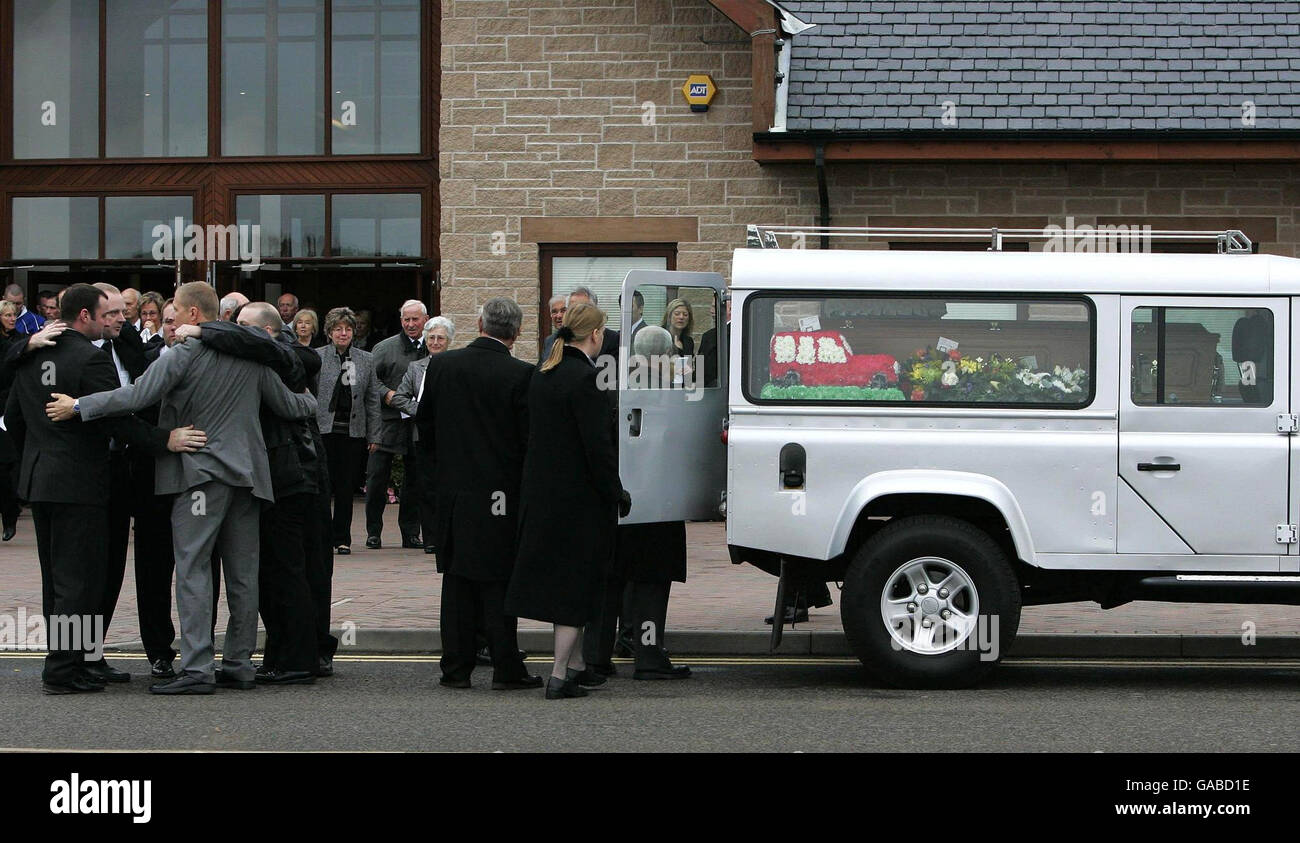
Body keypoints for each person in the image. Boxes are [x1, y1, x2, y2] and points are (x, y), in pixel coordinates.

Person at [47, 281, 317, 695]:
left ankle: (196, 668)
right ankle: (240, 663)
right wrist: (315, 402)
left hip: (199, 476)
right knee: (243, 576)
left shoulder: (184, 354)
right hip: (248, 477)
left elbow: (136, 396)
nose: (170, 325)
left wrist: (80, 405)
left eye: (176, 313)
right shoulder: (250, 355)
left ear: (193, 315)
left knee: (192, 570)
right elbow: (289, 405)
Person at [10, 284, 198, 694]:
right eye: (106, 313)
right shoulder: (91, 358)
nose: (115, 319)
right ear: (84, 317)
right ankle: (63, 670)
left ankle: (76, 661)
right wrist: (164, 439)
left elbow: (14, 418)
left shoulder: (32, 355)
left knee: (57, 579)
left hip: (41, 479)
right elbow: (116, 418)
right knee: (80, 581)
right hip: (81, 482)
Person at [181, 302, 322, 684]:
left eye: (244, 326)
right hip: (268, 474)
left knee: (285, 570)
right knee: (267, 573)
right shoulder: (262, 352)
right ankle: (279, 657)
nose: (236, 331)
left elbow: (290, 382)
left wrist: (203, 331)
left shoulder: (291, 355)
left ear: (270, 331)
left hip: (286, 477)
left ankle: (297, 660)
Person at [507, 303, 630, 699]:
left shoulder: (543, 375)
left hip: (543, 495)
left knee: (562, 580)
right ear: (594, 335)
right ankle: (559, 674)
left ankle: (576, 666)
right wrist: (617, 492)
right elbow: (598, 449)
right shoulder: (587, 379)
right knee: (575, 586)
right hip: (579, 501)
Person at [416, 300, 540, 691]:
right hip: (501, 494)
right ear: (516, 333)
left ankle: (456, 668)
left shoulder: (442, 366)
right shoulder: (522, 374)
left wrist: (436, 482)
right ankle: (506, 666)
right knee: (498, 581)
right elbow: (529, 442)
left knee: (456, 583)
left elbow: (426, 430)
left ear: (479, 323)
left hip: (454, 491)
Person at [315, 307, 381, 554]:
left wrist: (374, 435)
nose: (343, 334)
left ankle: (342, 537)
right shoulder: (317, 356)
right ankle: (322, 536)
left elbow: (372, 399)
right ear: (329, 332)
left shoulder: (366, 359)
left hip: (352, 432)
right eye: (337, 329)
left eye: (348, 329)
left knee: (345, 488)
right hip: (323, 430)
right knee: (323, 487)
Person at [366, 300, 430, 550]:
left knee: (415, 480)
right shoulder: (384, 348)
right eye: (406, 319)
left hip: (416, 423)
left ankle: (411, 533)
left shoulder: (432, 346)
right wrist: (388, 394)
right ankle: (373, 532)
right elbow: (369, 379)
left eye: (415, 319)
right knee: (376, 478)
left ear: (425, 319)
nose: (411, 324)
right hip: (387, 421)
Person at [390, 315, 453, 553]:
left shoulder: (455, 365)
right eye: (432, 338)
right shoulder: (416, 368)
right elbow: (399, 397)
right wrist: (423, 411)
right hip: (422, 434)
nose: (435, 342)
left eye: (440, 338)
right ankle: (431, 538)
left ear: (449, 341)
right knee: (425, 487)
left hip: (449, 435)